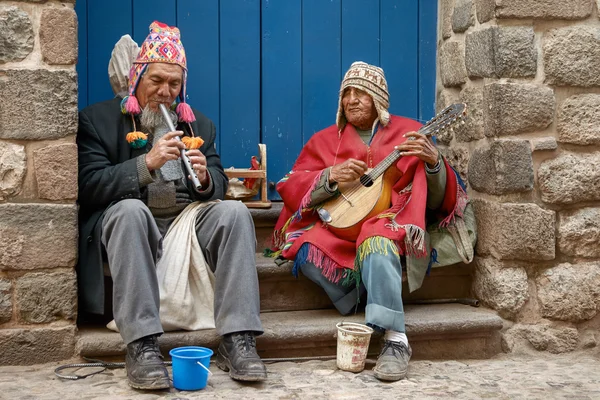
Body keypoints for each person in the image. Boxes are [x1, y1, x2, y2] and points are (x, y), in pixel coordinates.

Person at [76, 21, 267, 390]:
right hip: (129, 219)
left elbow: (218, 181)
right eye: (156, 81)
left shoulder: (198, 126)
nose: (165, 93)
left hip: (186, 222)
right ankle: (142, 345)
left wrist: (208, 178)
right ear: (137, 78)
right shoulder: (97, 121)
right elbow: (89, 186)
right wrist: (145, 164)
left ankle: (239, 338)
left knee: (234, 212)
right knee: (131, 213)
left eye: (174, 84)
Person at [272, 62, 469, 382]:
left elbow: (436, 200)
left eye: (361, 92)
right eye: (346, 93)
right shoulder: (325, 140)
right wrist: (329, 178)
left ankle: (396, 339)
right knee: (304, 249)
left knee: (377, 245)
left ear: (378, 99)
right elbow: (291, 183)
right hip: (339, 225)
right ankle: (362, 294)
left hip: (388, 219)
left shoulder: (409, 134)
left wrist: (433, 162)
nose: (351, 99)